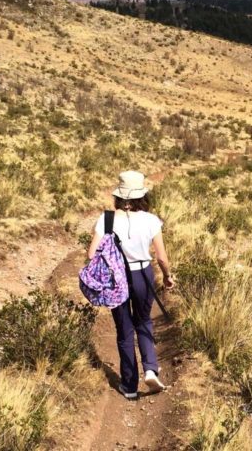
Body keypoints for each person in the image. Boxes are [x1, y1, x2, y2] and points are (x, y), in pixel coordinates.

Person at [86, 170, 175, 399]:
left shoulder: (106, 219)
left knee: (124, 330)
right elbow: (162, 258)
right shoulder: (151, 220)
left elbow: (91, 253)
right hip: (143, 275)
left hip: (116, 279)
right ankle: (150, 369)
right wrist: (167, 276)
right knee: (144, 321)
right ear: (141, 196)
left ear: (119, 195)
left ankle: (129, 385)